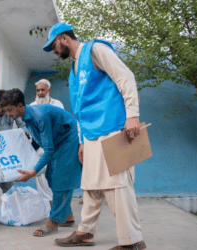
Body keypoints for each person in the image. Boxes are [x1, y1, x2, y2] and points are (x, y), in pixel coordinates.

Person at [43, 22, 146, 249]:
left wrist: (132, 115)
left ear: (63, 38)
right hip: (90, 136)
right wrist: (81, 141)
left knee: (117, 186)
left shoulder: (95, 50)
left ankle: (133, 242)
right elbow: (79, 108)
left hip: (112, 127)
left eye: (53, 45)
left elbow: (125, 77)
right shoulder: (73, 69)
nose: (53, 50)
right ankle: (85, 233)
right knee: (91, 186)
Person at [0, 88, 82, 237]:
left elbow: (48, 150)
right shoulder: (26, 117)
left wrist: (32, 172)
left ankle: (54, 221)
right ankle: (68, 216)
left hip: (68, 139)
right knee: (51, 177)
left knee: (60, 179)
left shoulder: (39, 116)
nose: (8, 114)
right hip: (58, 142)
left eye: (10, 110)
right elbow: (42, 141)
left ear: (20, 106)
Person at [30, 79, 64, 203]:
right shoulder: (32, 106)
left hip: (55, 145)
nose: (40, 93)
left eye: (43, 90)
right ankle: (46, 200)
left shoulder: (57, 104)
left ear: (49, 90)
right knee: (39, 174)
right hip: (39, 146)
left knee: (54, 174)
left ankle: (55, 200)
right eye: (38, 90)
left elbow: (59, 122)